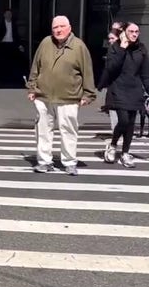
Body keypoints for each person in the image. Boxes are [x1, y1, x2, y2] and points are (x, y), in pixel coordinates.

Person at [26, 15, 97, 176]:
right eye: (55, 28)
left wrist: (88, 94)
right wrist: (32, 88)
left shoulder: (79, 46)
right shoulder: (45, 43)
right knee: (43, 131)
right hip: (43, 96)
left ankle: (70, 162)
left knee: (68, 131)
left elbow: (87, 72)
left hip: (68, 97)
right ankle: (44, 161)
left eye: (61, 27)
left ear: (69, 28)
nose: (58, 30)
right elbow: (35, 67)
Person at [97, 22, 149, 168]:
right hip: (118, 88)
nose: (134, 34)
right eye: (131, 31)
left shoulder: (141, 49)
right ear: (124, 32)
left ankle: (125, 153)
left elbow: (145, 73)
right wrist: (122, 48)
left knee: (131, 123)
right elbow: (112, 68)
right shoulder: (115, 47)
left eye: (137, 31)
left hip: (134, 90)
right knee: (123, 120)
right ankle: (112, 145)